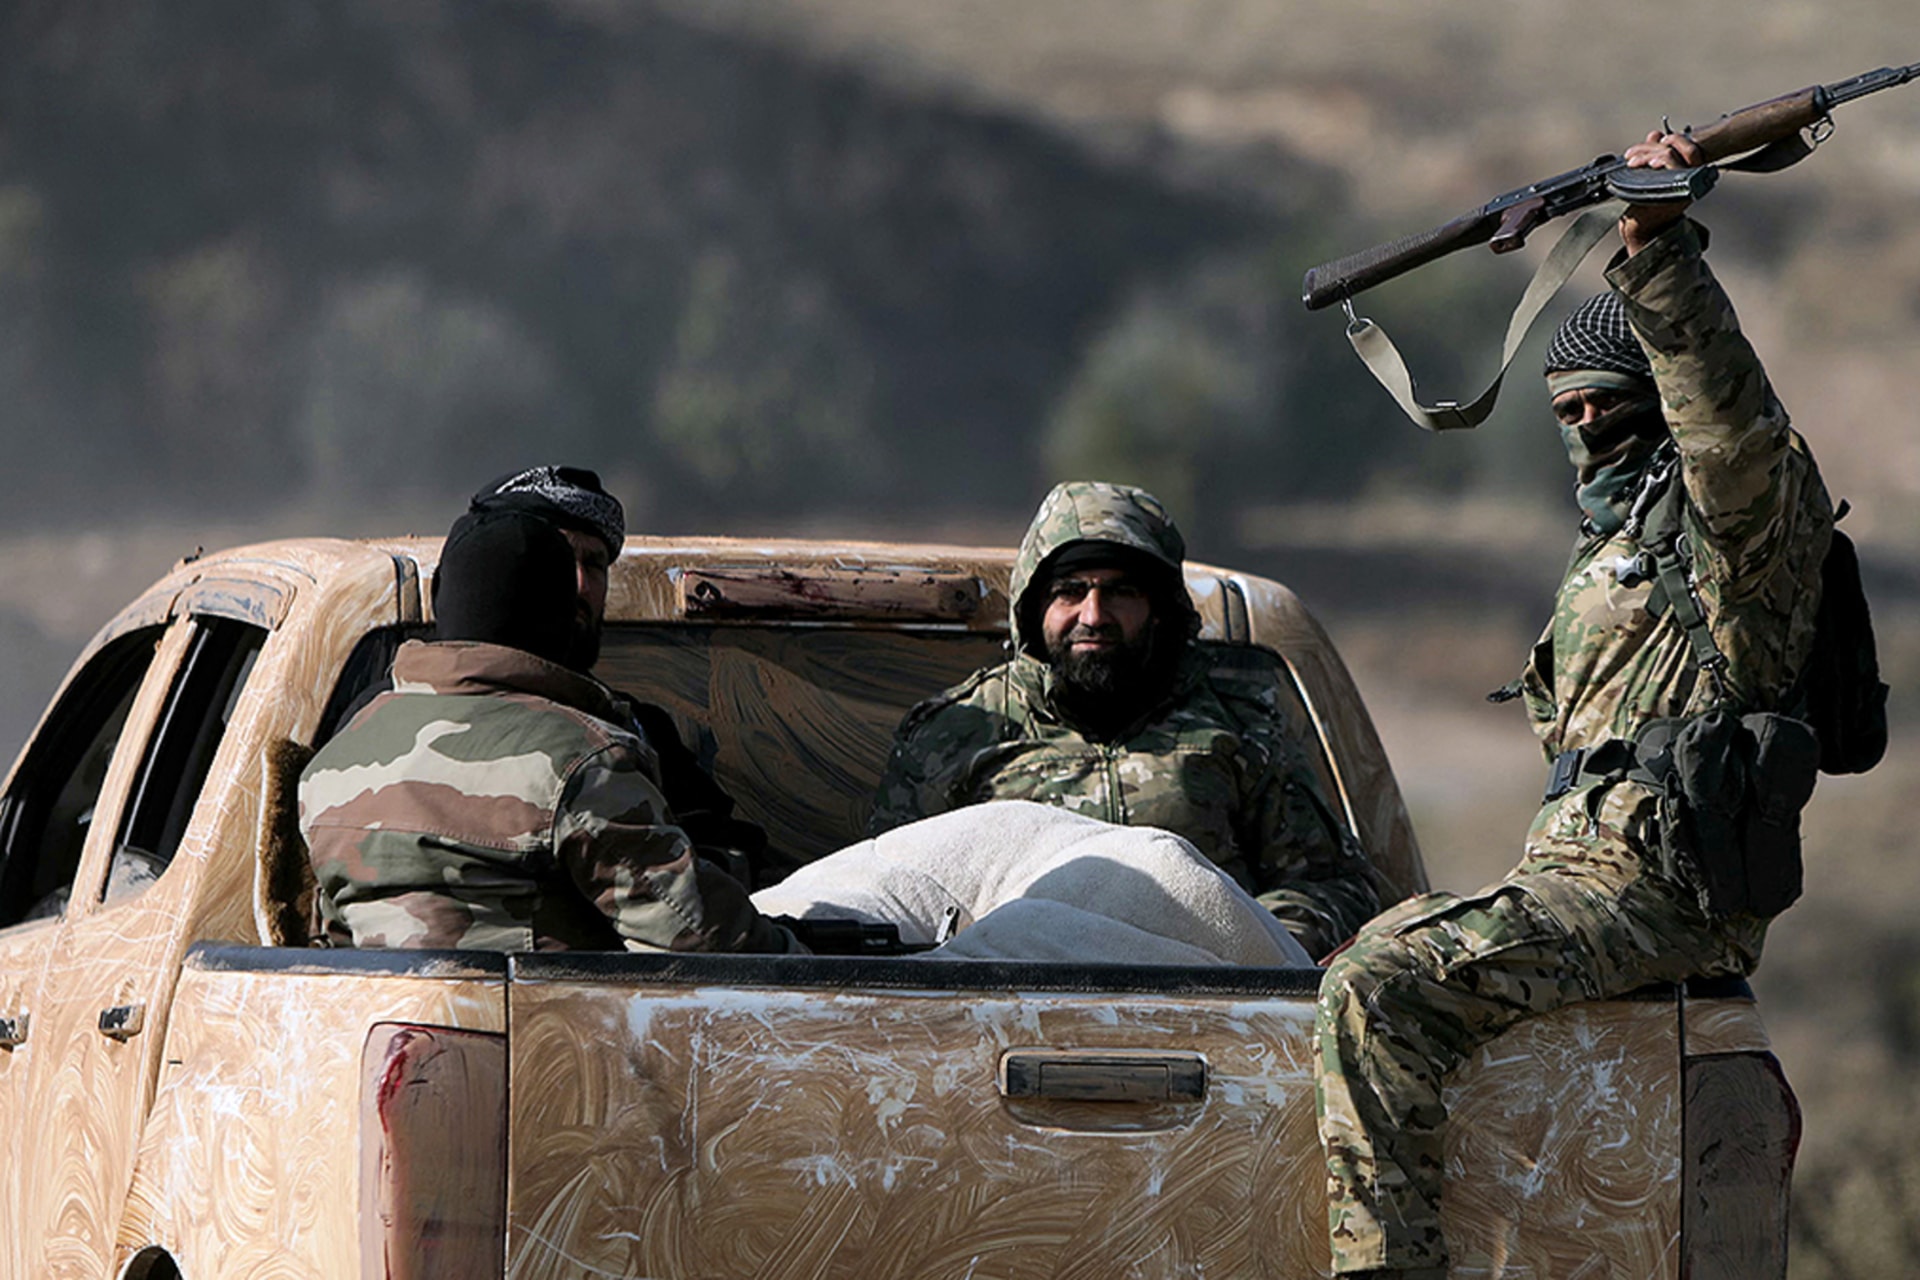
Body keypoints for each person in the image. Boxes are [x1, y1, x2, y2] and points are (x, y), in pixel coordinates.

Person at [1313, 132, 1836, 1279]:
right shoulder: (1610, 551)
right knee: (1362, 948)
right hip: (1583, 880)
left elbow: (1727, 428)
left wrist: (1657, 248)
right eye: (1569, 410)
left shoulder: (1737, 537)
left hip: (1662, 889)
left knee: (1377, 987)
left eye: (1611, 404)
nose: (1589, 427)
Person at [870, 479, 1379, 960]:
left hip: (1204, 1006)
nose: (1093, 615)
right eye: (1069, 591)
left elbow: (1332, 886)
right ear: (1034, 607)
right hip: (1005, 1005)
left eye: (1120, 592)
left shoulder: (1240, 724)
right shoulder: (957, 733)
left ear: (1158, 608)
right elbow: (887, 899)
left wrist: (1242, 952)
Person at [299, 507, 796, 954]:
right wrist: (810, 958)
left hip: (373, 1020)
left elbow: (333, 940)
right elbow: (701, 936)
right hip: (544, 1026)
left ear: (440, 600)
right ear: (563, 613)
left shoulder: (334, 761)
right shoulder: (583, 759)